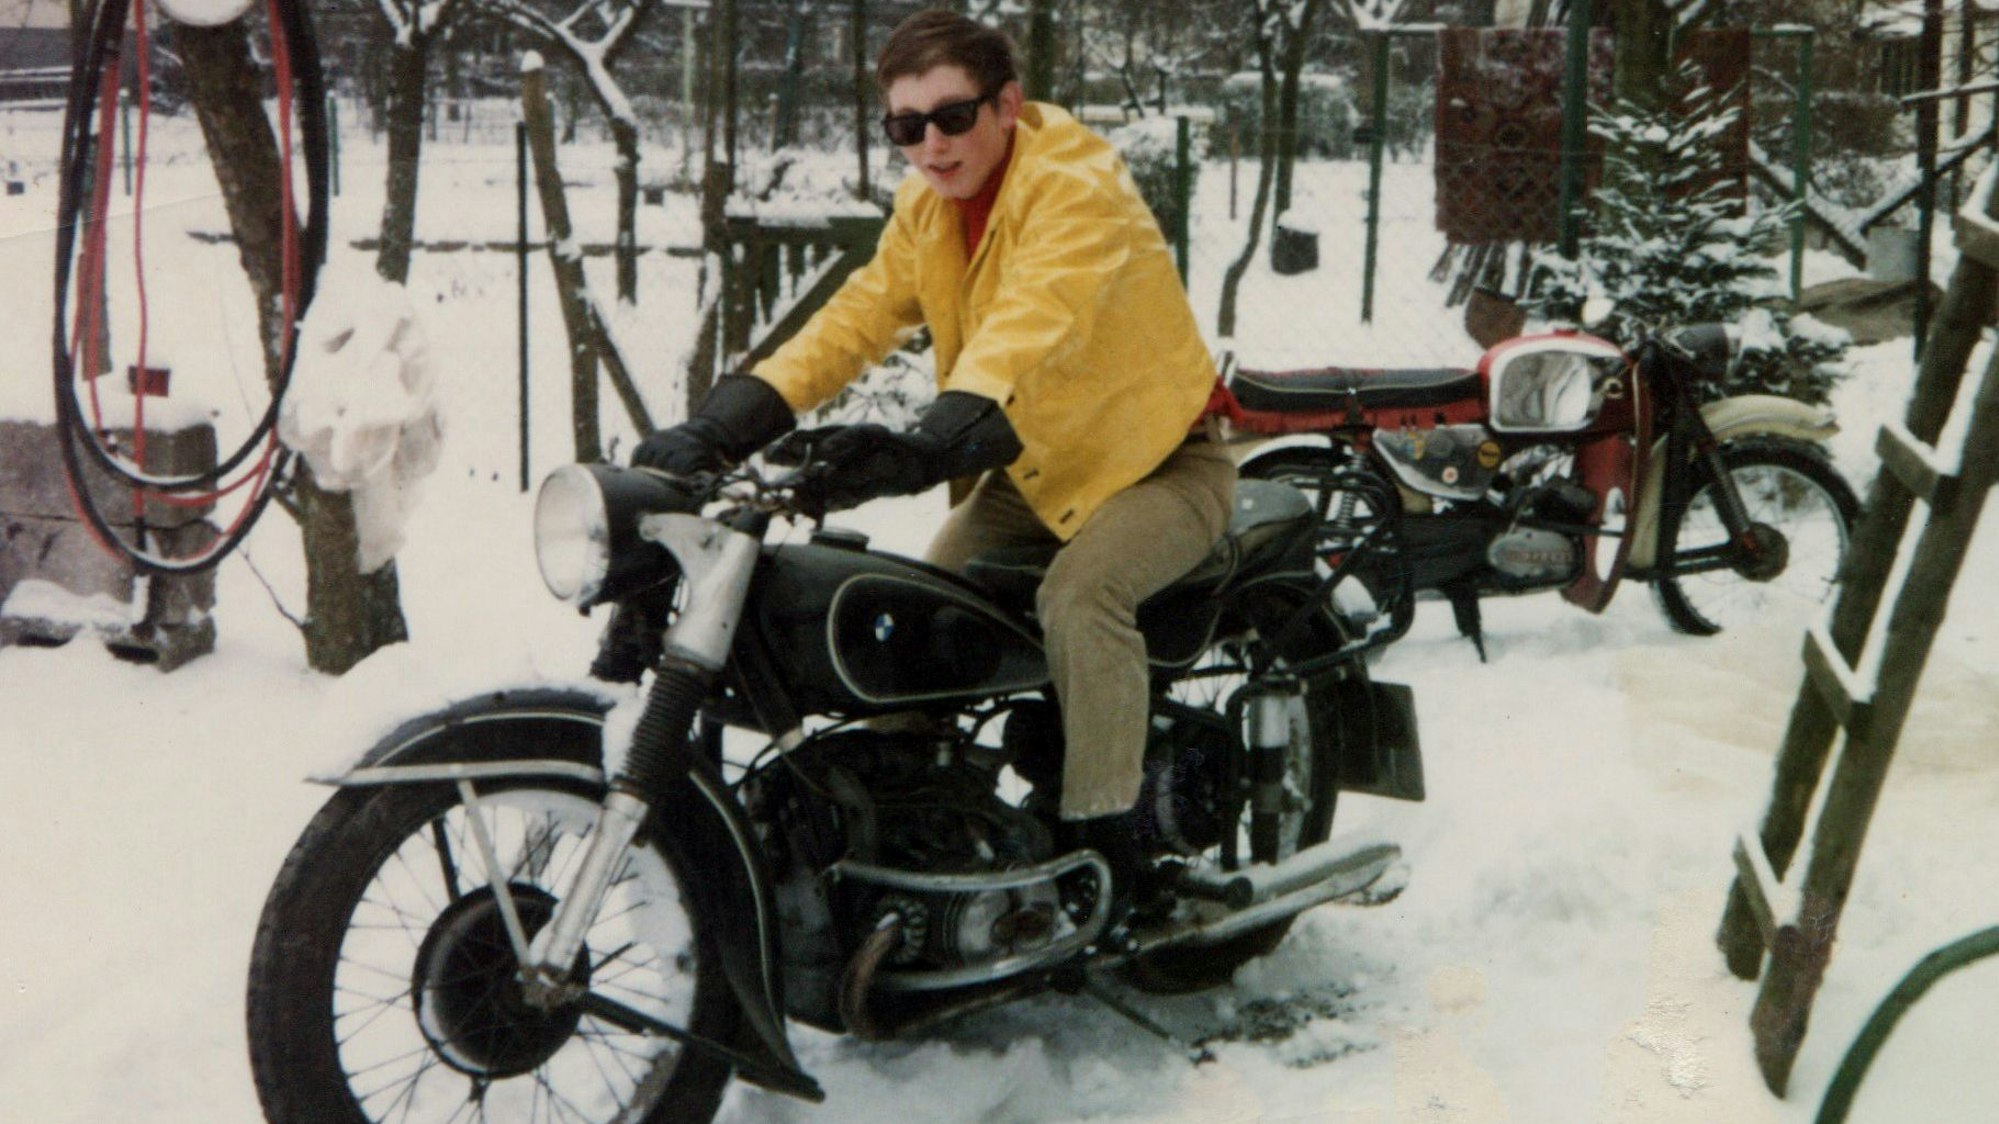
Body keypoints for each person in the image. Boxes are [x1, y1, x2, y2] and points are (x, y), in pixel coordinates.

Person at [633, 7, 1233, 896]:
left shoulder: (1074, 184)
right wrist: (721, 424)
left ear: (1006, 106)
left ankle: (1110, 846)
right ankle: (908, 828)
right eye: (905, 127)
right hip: (1035, 477)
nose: (931, 145)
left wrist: (928, 444)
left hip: (1159, 464)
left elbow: (1032, 320)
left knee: (1082, 595)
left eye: (952, 116)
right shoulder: (929, 207)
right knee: (912, 620)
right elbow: (855, 319)